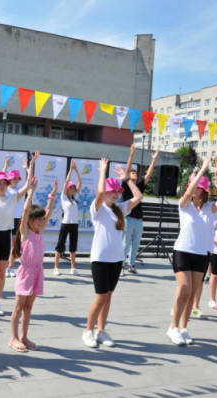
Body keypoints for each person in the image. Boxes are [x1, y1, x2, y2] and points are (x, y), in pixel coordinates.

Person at [167, 157, 217, 346]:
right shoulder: (184, 205)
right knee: (184, 289)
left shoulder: (210, 208)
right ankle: (173, 327)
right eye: (193, 187)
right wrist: (202, 170)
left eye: (198, 187)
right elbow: (186, 195)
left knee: (193, 292)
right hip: (183, 251)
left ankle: (184, 328)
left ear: (204, 191)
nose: (194, 190)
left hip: (202, 254)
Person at [82, 159, 143, 348]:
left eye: (118, 191)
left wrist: (127, 179)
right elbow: (100, 192)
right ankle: (88, 331)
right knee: (100, 297)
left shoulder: (120, 210)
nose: (116, 194)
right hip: (100, 259)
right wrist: (102, 172)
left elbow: (138, 197)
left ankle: (101, 330)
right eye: (113, 190)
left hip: (116, 259)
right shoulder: (97, 209)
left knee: (108, 296)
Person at [0, 150, 35, 317]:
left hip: (5, 236)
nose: (2, 186)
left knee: (1, 274)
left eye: (5, 183)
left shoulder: (12, 197)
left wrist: (30, 166)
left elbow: (28, 185)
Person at [9, 177, 57, 352]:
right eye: (39, 219)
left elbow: (49, 212)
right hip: (26, 273)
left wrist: (52, 196)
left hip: (38, 272)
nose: (42, 222)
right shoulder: (25, 233)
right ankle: (13, 338)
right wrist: (31, 191)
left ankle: (24, 336)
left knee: (28, 307)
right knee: (19, 307)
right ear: (30, 220)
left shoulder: (39, 232)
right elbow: (25, 210)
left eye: (42, 220)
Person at [121, 145, 159, 275]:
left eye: (136, 172)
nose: (135, 173)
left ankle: (131, 265)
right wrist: (131, 154)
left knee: (135, 244)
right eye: (133, 172)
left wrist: (153, 160)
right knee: (125, 243)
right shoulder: (126, 185)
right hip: (128, 218)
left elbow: (148, 175)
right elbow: (126, 170)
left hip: (138, 219)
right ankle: (121, 265)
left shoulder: (139, 186)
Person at [53, 159, 81, 276]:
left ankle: (73, 268)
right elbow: (66, 181)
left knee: (73, 247)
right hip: (65, 224)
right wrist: (70, 169)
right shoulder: (63, 197)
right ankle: (56, 268)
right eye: (71, 188)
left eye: (74, 188)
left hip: (74, 225)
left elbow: (80, 183)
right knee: (60, 245)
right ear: (67, 189)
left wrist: (76, 170)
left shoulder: (76, 198)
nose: (73, 189)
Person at [4, 156, 28, 278]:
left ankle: (11, 267)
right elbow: (0, 179)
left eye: (17, 178)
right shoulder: (4, 190)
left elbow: (30, 183)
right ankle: (3, 267)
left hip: (17, 219)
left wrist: (28, 169)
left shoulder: (20, 190)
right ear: (9, 179)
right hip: (5, 218)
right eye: (13, 178)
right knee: (3, 244)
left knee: (14, 245)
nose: (16, 180)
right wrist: (5, 167)